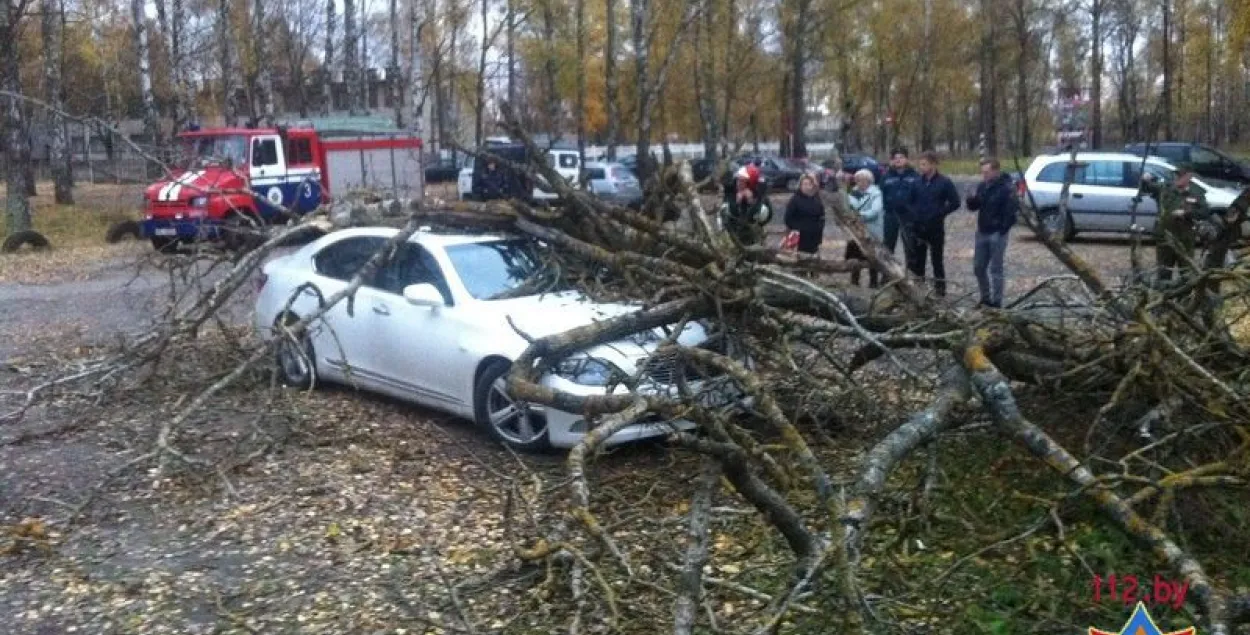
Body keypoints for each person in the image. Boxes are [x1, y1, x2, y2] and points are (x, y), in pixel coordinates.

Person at [1140, 162, 1210, 284]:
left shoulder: (1196, 192)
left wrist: (1186, 213)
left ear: (1189, 176)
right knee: (1163, 272)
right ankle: (1165, 299)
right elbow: (1146, 189)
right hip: (1165, 237)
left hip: (1185, 239)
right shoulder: (1165, 188)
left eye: (1181, 175)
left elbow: (1204, 212)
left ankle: (1185, 299)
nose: (1178, 178)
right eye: (1177, 175)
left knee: (1186, 273)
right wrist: (1144, 180)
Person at [904, 150, 961, 297]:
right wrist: (914, 215)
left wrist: (940, 212)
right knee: (918, 261)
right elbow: (909, 201)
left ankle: (940, 290)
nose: (921, 167)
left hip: (935, 227)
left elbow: (955, 202)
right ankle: (919, 289)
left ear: (933, 164)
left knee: (937, 260)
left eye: (924, 164)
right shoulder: (917, 182)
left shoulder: (944, 182)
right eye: (920, 164)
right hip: (919, 227)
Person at [964, 158, 1019, 308]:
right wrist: (971, 199)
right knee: (978, 267)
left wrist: (1002, 229)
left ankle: (997, 301)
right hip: (982, 231)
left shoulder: (1006, 188)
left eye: (987, 172)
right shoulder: (983, 186)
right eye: (982, 172)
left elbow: (1012, 212)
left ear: (996, 171)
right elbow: (975, 207)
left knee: (996, 268)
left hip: (997, 233)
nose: (984, 175)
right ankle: (985, 297)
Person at [844, 169, 884, 287]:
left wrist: (860, 215)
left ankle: (873, 282)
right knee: (855, 254)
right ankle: (855, 280)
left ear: (869, 180)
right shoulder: (853, 192)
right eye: (858, 180)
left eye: (863, 179)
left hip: (872, 229)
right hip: (856, 230)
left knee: (872, 256)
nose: (860, 182)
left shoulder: (876, 193)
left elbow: (875, 210)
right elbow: (849, 207)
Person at [878, 147, 920, 255]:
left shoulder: (915, 176)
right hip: (891, 215)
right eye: (895, 158)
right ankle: (887, 271)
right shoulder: (886, 177)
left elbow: (920, 196)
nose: (898, 160)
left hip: (908, 216)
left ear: (906, 159)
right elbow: (880, 195)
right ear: (892, 160)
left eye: (901, 157)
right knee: (888, 246)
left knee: (910, 246)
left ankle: (911, 271)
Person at [718, 164, 773, 246]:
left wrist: (752, 203)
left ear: (749, 183)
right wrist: (736, 204)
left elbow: (766, 217)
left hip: (754, 237)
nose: (738, 183)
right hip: (734, 237)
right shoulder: (731, 192)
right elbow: (726, 217)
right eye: (738, 180)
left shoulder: (759, 195)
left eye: (742, 181)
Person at [783, 173, 826, 256]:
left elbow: (821, 216)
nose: (807, 187)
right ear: (800, 185)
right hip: (799, 238)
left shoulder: (816, 199)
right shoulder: (795, 200)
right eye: (804, 184)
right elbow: (788, 218)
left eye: (809, 184)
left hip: (814, 237)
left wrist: (819, 228)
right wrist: (799, 228)